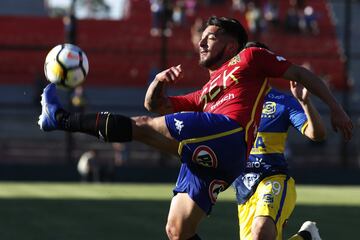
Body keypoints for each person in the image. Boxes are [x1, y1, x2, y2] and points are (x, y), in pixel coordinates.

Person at [38, 16, 352, 240]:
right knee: (177, 231)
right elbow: (156, 106)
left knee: (144, 128)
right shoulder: (208, 90)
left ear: (232, 46)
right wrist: (158, 82)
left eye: (209, 37)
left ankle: (60, 119)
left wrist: (335, 107)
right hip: (229, 169)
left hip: (231, 139)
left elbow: (299, 74)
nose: (200, 42)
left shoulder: (250, 58)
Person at [233, 42, 323, 240]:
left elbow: (316, 134)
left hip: (273, 178)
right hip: (244, 188)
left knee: (261, 231)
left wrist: (305, 103)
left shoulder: (282, 102)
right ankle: (306, 238)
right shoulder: (229, 102)